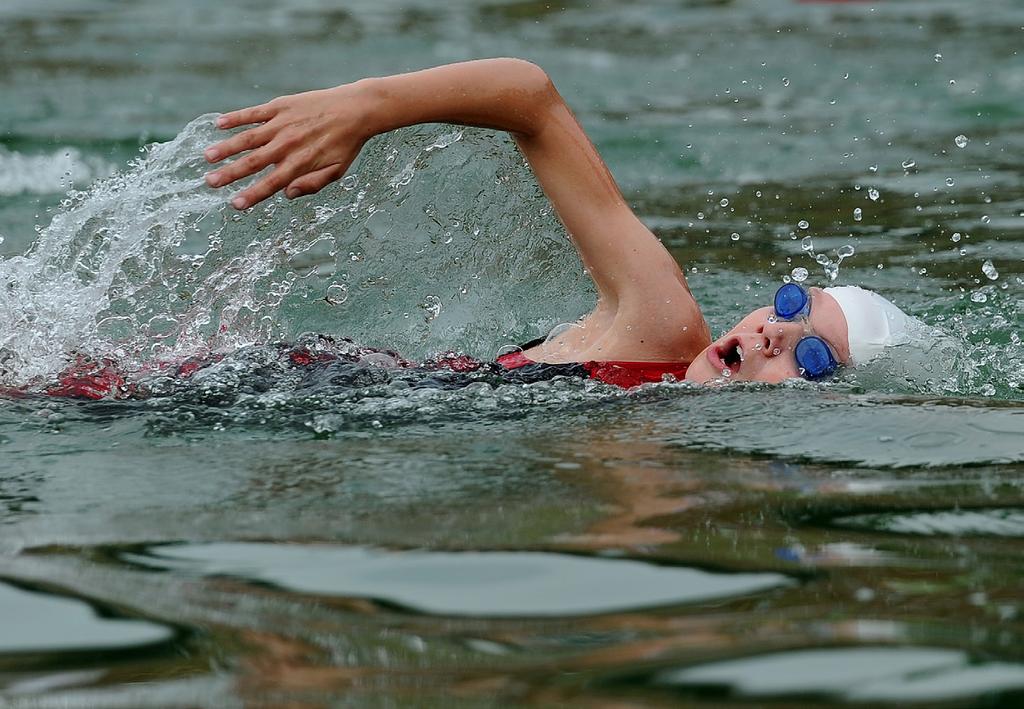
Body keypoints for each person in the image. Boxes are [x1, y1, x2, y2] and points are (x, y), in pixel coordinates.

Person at [202, 58, 910, 388]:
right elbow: (531, 97)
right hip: (283, 387)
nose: (775, 331)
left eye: (811, 357)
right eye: (794, 306)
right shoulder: (662, 327)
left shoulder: (669, 445)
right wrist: (367, 105)